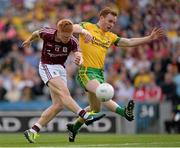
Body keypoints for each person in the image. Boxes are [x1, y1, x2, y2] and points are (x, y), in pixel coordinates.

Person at [67, 7, 165, 142]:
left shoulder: (110, 36)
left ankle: (74, 127)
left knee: (95, 109)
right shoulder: (88, 26)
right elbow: (72, 28)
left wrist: (149, 38)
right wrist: (83, 31)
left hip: (99, 73)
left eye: (114, 22)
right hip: (86, 71)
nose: (111, 24)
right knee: (102, 92)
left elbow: (129, 42)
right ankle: (123, 112)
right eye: (110, 21)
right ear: (101, 18)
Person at [22, 19, 105, 143]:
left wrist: (79, 60)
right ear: (58, 31)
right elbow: (36, 33)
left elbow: (79, 55)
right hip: (47, 66)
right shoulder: (48, 33)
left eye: (70, 35)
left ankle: (33, 130)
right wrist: (29, 40)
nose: (68, 38)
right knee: (64, 92)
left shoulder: (72, 41)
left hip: (60, 68)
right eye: (65, 35)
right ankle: (85, 116)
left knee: (59, 105)